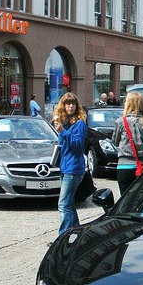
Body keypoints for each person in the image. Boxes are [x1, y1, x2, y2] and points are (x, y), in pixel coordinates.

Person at [52, 92, 88, 235]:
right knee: (69, 204)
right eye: (68, 104)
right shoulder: (65, 123)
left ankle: (63, 236)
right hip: (66, 167)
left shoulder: (79, 124)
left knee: (63, 204)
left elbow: (78, 145)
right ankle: (76, 233)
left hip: (73, 168)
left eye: (73, 104)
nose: (71, 106)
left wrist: (63, 132)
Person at [112, 92, 143, 195]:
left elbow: (115, 142)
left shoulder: (121, 122)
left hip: (124, 166)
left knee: (125, 200)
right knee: (141, 199)